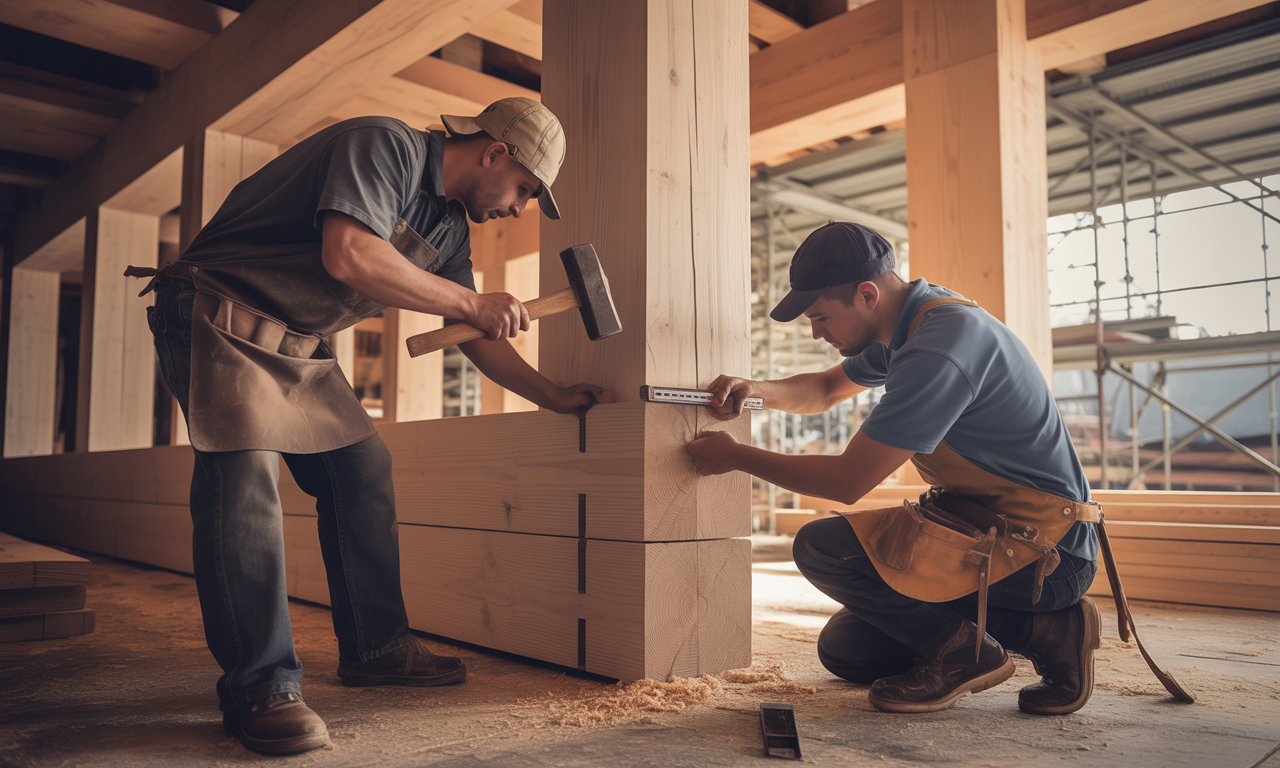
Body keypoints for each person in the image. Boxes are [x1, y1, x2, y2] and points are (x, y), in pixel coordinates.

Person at [130, 97, 613, 755]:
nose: (519, 208)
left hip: (298, 342)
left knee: (363, 469)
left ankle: (377, 649)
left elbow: (472, 331)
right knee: (243, 484)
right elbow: (349, 254)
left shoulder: (448, 228)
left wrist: (550, 394)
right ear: (495, 152)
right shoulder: (384, 146)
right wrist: (472, 300)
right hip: (220, 310)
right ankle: (261, 689)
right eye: (525, 189)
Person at [686, 221, 1189, 715]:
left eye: (821, 317)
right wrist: (760, 391)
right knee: (847, 651)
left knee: (822, 548)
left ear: (866, 295)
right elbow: (824, 390)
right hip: (984, 527)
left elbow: (847, 483)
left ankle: (991, 646)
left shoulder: (940, 348)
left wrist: (735, 457)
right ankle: (1045, 630)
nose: (816, 333)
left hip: (1046, 552)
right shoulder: (906, 322)